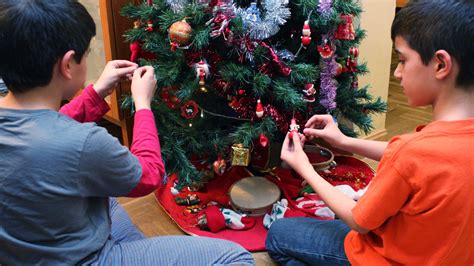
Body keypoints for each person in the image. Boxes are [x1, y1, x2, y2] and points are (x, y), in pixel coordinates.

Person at [0, 1, 254, 265]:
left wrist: (97, 91)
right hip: (82, 258)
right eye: (86, 54)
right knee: (234, 258)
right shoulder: (84, 143)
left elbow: (43, 127)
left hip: (26, 247)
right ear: (67, 66)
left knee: (106, 201)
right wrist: (143, 105)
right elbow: (148, 174)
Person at [266, 0, 474, 265]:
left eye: (402, 60)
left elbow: (358, 220)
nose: (397, 73)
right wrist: (344, 140)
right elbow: (419, 163)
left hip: (383, 257)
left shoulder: (412, 152)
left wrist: (304, 167)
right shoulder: (438, 144)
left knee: (278, 235)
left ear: (440, 65)